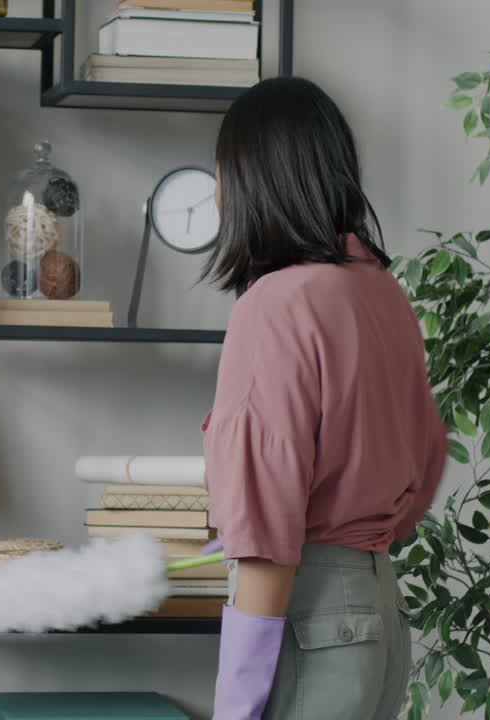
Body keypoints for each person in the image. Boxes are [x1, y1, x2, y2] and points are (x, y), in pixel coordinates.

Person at [200, 76, 448, 720]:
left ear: (254, 178)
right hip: (379, 611)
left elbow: (266, 535)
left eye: (221, 168)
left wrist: (235, 708)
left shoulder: (274, 305)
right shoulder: (381, 292)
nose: (217, 189)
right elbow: (428, 454)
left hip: (309, 616)